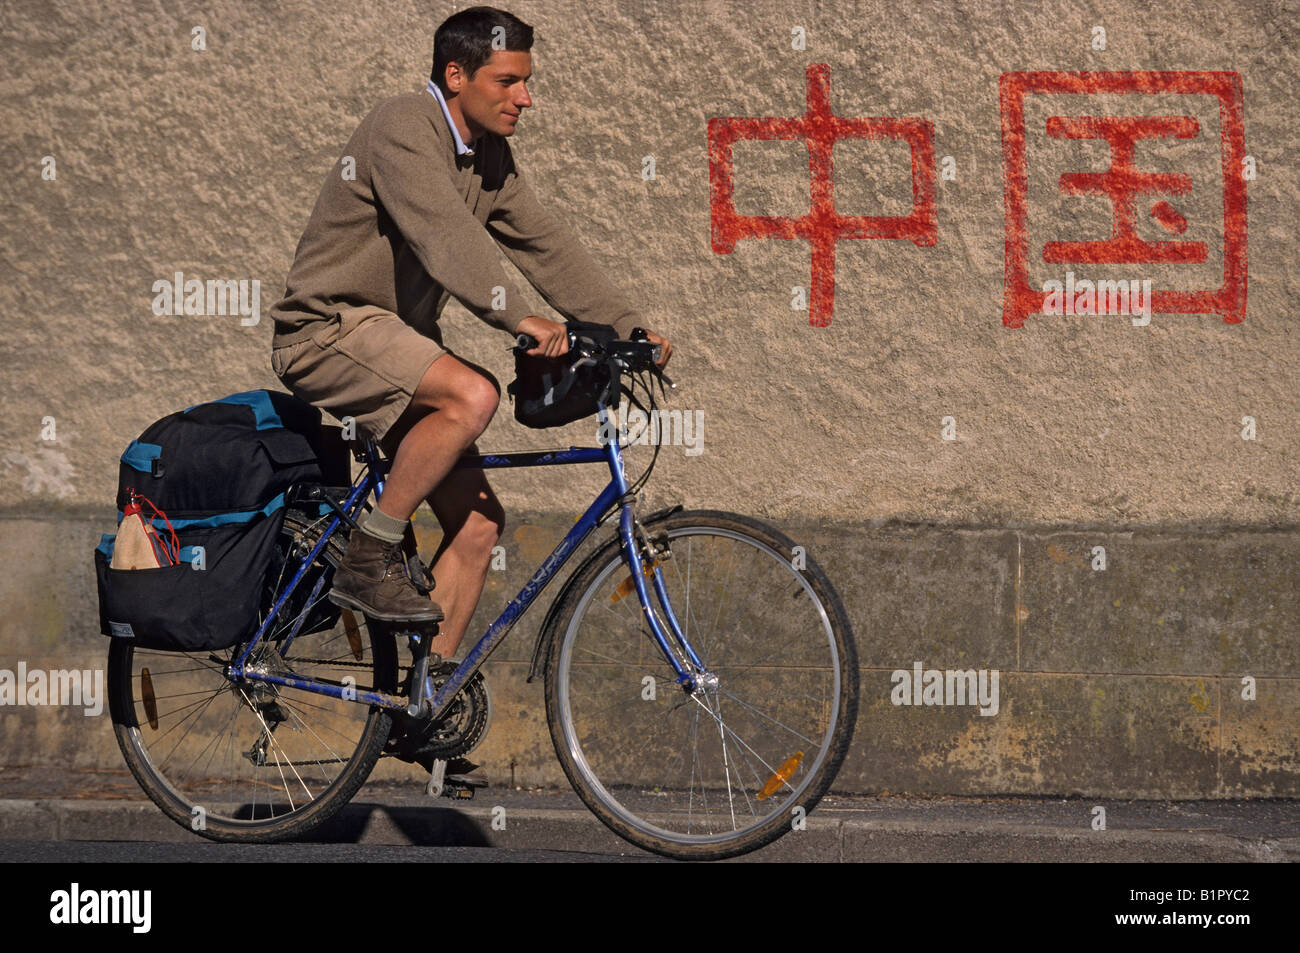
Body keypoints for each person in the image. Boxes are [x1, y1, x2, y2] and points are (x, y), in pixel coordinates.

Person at [269, 6, 672, 661]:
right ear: (456, 75)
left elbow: (547, 246)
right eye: (508, 81)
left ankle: (427, 705)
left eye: (526, 81)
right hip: (327, 332)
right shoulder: (402, 126)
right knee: (473, 395)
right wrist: (522, 318)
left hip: (396, 346)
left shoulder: (489, 158)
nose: (526, 97)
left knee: (481, 525)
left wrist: (629, 327)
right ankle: (369, 557)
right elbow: (446, 240)